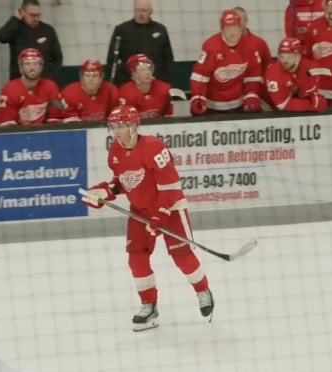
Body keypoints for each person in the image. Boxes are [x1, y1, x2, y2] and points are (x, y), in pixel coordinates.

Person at [81, 106, 214, 332]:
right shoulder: (115, 151)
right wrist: (104, 192)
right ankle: (149, 307)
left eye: (120, 126)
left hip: (170, 207)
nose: (116, 131)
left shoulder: (154, 147)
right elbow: (124, 182)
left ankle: (203, 291)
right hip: (141, 210)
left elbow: (171, 188)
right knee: (136, 257)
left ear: (133, 127)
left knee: (181, 255)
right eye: (113, 126)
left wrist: (159, 215)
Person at [189, 10, 265, 116]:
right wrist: (198, 97)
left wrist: (251, 96)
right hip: (213, 106)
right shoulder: (211, 46)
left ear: (241, 28)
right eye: (228, 28)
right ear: (222, 29)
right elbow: (200, 75)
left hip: (238, 103)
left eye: (235, 28)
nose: (232, 33)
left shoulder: (250, 47)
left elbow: (253, 75)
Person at [105, 0, 175, 87]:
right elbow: (112, 59)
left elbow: (168, 58)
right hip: (129, 82)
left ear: (151, 11)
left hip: (156, 81)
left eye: (144, 10)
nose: (140, 14)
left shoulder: (160, 29)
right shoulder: (122, 30)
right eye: (137, 10)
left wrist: (167, 81)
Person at [0, 0, 64, 81]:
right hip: (19, 81)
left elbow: (57, 58)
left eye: (38, 15)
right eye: (32, 15)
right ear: (22, 12)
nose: (35, 18)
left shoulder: (48, 30)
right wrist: (15, 19)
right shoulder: (15, 28)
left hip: (43, 82)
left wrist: (49, 77)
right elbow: (1, 37)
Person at [0, 48, 66, 126]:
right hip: (19, 136)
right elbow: (7, 124)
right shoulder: (10, 90)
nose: (32, 68)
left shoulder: (51, 86)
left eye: (35, 64)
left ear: (41, 67)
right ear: (21, 67)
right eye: (27, 64)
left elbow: (55, 119)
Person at [264, 38, 329, 112]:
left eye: (289, 57)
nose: (285, 61)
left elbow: (317, 97)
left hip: (298, 102)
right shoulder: (273, 72)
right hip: (273, 111)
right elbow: (282, 105)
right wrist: (310, 104)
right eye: (282, 57)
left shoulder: (311, 68)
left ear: (298, 56)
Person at [118, 54, 174, 119]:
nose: (147, 72)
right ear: (133, 73)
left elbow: (168, 119)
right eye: (142, 70)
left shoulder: (165, 89)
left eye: (148, 68)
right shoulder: (125, 93)